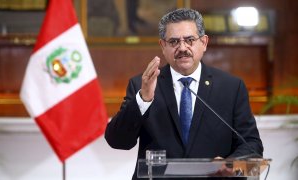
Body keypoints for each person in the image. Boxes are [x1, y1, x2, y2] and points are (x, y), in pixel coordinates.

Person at [105, 8, 263, 179]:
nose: (182, 48)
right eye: (173, 41)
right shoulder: (142, 85)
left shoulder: (231, 87)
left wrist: (230, 166)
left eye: (189, 40)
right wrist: (143, 99)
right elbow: (117, 141)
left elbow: (252, 145)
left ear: (204, 42)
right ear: (163, 46)